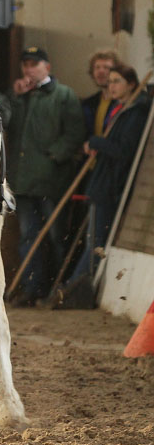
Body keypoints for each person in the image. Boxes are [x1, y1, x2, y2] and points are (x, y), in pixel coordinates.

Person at [6, 46, 86, 306]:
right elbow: (7, 123)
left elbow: (75, 133)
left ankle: (60, 288)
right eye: (25, 64)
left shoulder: (64, 96)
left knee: (57, 236)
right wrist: (16, 98)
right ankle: (32, 288)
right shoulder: (22, 97)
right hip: (24, 183)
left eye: (35, 64)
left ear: (47, 67)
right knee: (29, 236)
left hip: (53, 181)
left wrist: (54, 157)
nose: (29, 69)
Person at [65, 63, 151, 288]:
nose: (111, 86)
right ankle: (77, 284)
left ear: (131, 84)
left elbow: (124, 150)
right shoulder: (121, 109)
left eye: (116, 81)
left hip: (112, 185)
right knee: (92, 240)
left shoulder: (136, 111)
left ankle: (78, 285)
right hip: (102, 182)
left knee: (96, 242)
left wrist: (96, 142)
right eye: (109, 81)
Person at [81, 49, 118, 138]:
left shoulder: (122, 103)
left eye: (106, 67)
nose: (101, 71)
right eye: (97, 67)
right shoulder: (88, 104)